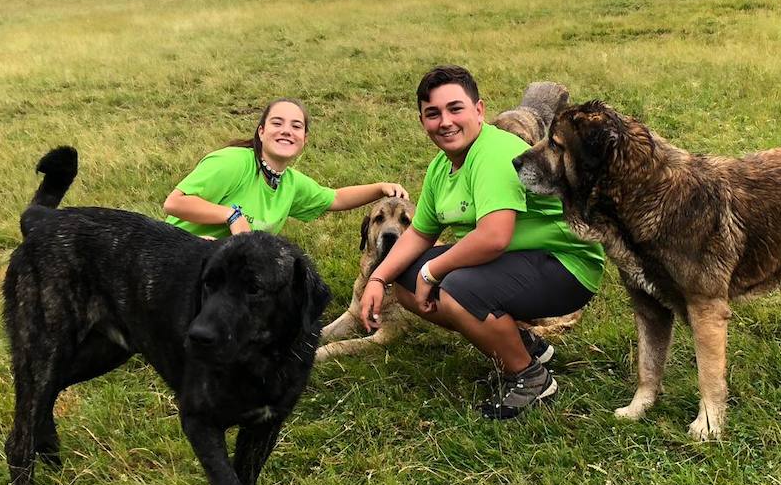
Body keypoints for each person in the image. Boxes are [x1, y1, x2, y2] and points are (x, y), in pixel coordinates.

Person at [359, 66, 604, 419]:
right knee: (407, 280)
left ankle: (529, 377)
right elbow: (419, 233)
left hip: (564, 264)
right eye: (433, 113)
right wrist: (380, 278)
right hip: (515, 261)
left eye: (455, 108)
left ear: (479, 110)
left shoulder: (492, 154)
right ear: (422, 121)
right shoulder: (440, 168)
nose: (445, 121)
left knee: (456, 288)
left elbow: (493, 237)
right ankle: (522, 344)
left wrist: (432, 272)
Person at [163, 98, 408, 238]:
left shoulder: (289, 182)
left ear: (305, 139)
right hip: (180, 255)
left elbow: (335, 198)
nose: (286, 131)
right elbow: (174, 203)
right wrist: (231, 216)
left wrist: (380, 188)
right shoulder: (233, 162)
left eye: (296, 126)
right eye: (277, 123)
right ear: (261, 132)